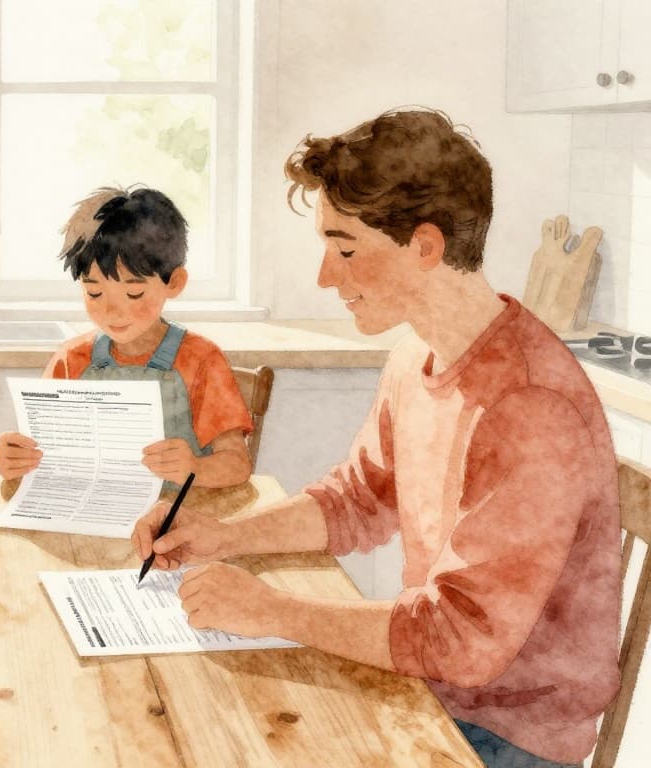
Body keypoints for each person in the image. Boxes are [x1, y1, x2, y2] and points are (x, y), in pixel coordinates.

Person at [132, 108, 621, 768]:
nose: (325, 277)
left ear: (424, 246)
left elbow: (463, 639)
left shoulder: (530, 406)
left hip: (502, 737)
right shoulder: (416, 355)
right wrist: (224, 536)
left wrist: (274, 609)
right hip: (431, 688)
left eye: (346, 249)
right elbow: (357, 499)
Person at [0, 186, 254, 490]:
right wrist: (16, 458)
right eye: (94, 292)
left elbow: (237, 464)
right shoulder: (71, 360)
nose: (113, 311)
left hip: (177, 519)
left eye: (133, 293)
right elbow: (44, 456)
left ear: (175, 282)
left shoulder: (201, 360)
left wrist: (195, 468)